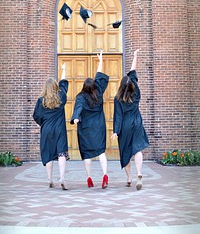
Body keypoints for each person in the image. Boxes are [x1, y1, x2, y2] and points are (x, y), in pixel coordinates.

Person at [111, 49, 149, 190]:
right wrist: (135, 56)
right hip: (137, 122)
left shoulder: (118, 99)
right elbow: (133, 71)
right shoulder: (136, 92)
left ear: (121, 86)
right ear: (132, 84)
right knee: (137, 149)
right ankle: (139, 173)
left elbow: (118, 116)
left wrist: (116, 131)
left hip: (125, 125)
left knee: (126, 151)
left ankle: (129, 178)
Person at [70, 51, 109, 189]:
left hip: (85, 128)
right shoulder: (98, 92)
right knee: (101, 152)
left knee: (87, 154)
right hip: (98, 127)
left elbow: (79, 107)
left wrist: (75, 118)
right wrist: (100, 61)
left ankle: (89, 178)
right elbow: (99, 76)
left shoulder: (81, 97)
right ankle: (105, 175)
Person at [33, 63, 69, 190]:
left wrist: (42, 123)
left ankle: (49, 179)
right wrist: (63, 70)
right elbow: (64, 84)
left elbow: (36, 115)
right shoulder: (61, 97)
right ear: (55, 87)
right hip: (59, 128)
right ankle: (62, 178)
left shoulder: (40, 100)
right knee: (61, 152)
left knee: (48, 152)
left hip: (47, 128)